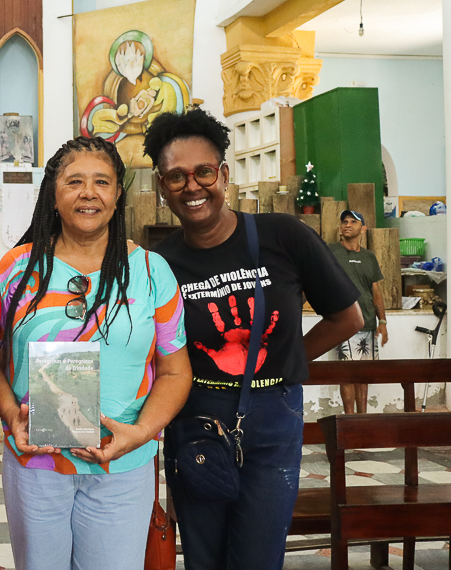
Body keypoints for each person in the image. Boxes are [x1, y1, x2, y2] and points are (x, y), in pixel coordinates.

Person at [142, 108, 363, 570]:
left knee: (258, 556)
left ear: (224, 175)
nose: (192, 186)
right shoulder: (158, 265)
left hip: (272, 417)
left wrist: (283, 362)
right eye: (177, 176)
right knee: (204, 557)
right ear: (163, 187)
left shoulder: (283, 236)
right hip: (196, 419)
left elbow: (347, 317)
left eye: (204, 172)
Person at [0, 136, 191, 570]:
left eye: (102, 182)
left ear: (118, 195)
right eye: (74, 181)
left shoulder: (151, 271)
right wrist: (10, 413)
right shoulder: (16, 269)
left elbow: (176, 372)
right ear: (53, 194)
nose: (89, 193)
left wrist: (139, 433)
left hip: (123, 466)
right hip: (37, 463)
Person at [330, 209, 387, 413]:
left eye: (353, 222)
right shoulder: (331, 251)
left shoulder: (369, 257)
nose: (347, 225)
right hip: (343, 324)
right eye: (344, 221)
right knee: (346, 374)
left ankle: (363, 420)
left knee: (363, 375)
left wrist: (383, 322)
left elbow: (375, 291)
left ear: (363, 228)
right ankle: (348, 421)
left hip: (368, 323)